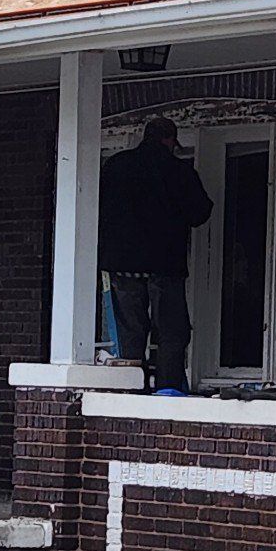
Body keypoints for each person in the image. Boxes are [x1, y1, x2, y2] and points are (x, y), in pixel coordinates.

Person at [97, 116, 213, 392]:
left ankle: (130, 390)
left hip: (122, 266)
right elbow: (200, 213)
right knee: (171, 333)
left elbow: (97, 207)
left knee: (129, 334)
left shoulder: (115, 167)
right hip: (165, 265)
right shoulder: (179, 171)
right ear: (169, 140)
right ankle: (167, 391)